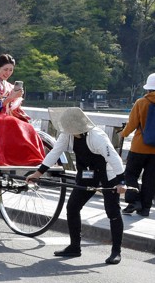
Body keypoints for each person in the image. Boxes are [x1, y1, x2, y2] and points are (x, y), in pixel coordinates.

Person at [27, 108, 126, 264]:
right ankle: (75, 246)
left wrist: (122, 182)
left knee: (112, 211)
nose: (65, 128)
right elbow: (55, 152)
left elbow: (113, 158)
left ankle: (116, 251)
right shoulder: (67, 135)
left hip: (108, 173)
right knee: (72, 207)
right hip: (86, 173)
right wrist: (38, 173)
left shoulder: (97, 137)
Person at [119, 72, 155, 217]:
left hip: (139, 147)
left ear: (148, 88)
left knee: (130, 174)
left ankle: (134, 201)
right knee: (151, 179)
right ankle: (146, 208)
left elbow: (132, 124)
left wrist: (122, 134)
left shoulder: (141, 102)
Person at [0, 54, 31, 123]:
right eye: (5, 69)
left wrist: (17, 97)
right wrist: (11, 97)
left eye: (11, 70)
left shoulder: (8, 85)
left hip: (7, 115)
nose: (8, 73)